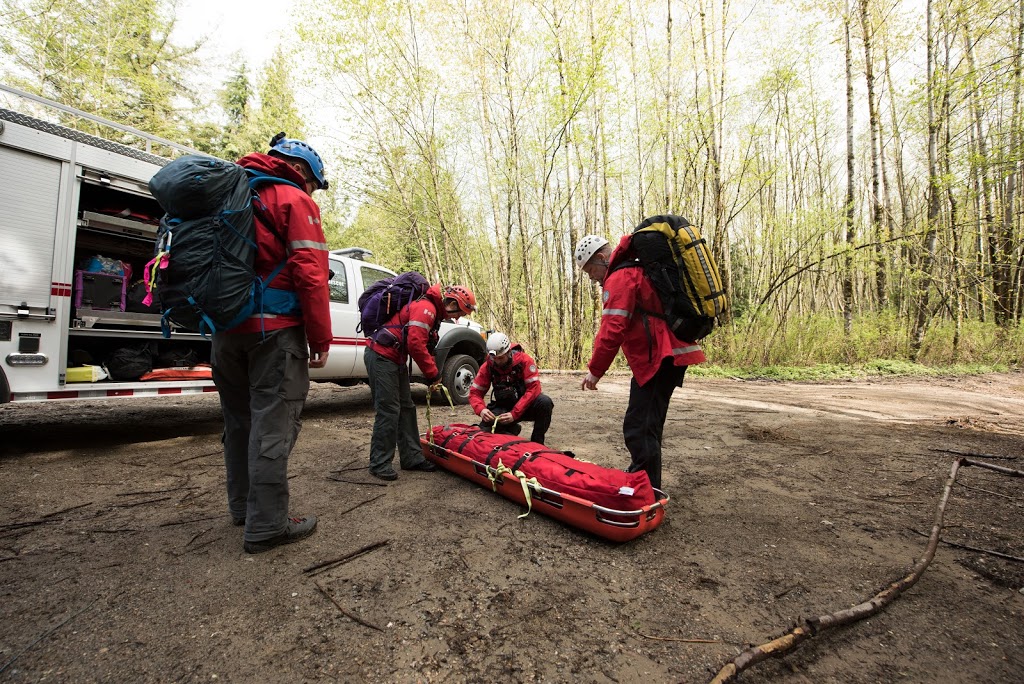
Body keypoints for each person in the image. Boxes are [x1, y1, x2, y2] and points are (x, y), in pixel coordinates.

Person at [212, 134, 332, 554]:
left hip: (226, 332)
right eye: (314, 183)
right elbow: (312, 275)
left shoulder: (230, 194)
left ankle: (243, 508)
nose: (312, 191)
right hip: (274, 331)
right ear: (302, 171)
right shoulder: (293, 199)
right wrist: (320, 336)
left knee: (239, 423)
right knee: (272, 427)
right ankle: (267, 525)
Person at [574, 233, 706, 490]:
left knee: (639, 427)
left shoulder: (620, 277)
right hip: (667, 356)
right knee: (647, 423)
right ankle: (642, 476)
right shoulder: (634, 269)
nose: (594, 279)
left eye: (592, 272)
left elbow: (612, 329)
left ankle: (647, 490)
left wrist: (595, 371)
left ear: (601, 258)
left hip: (659, 357)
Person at [365, 283, 477, 481]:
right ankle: (379, 463)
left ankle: (412, 458)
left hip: (394, 358)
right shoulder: (426, 309)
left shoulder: (432, 312)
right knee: (389, 410)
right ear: (452, 304)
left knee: (407, 407)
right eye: (459, 313)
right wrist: (433, 374)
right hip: (382, 356)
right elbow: (415, 344)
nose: (458, 318)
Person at [469, 332, 553, 445]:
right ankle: (510, 429)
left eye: (501, 358)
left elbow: (534, 389)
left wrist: (514, 414)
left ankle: (537, 442)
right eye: (495, 358)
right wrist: (481, 410)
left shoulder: (524, 361)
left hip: (524, 406)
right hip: (503, 408)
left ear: (508, 352)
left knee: (545, 402)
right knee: (484, 433)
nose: (497, 362)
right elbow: (475, 393)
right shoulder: (488, 366)